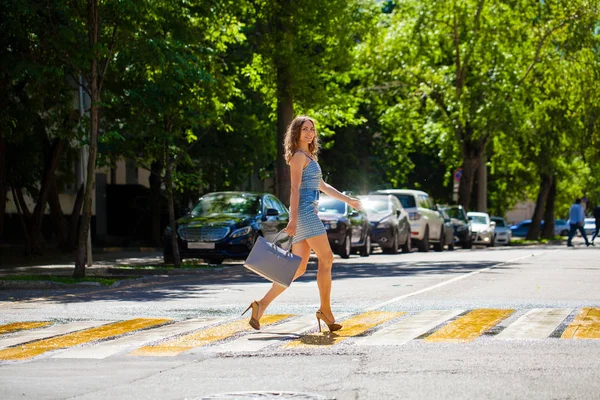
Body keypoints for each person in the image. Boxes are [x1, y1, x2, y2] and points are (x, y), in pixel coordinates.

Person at [242, 115, 362, 332]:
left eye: (312, 129)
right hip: (305, 214)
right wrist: (293, 220)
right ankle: (325, 310)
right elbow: (295, 189)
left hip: (307, 213)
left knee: (296, 269)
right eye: (305, 129)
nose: (309, 132)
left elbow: (323, 186)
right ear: (296, 133)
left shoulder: (309, 156)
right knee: (326, 258)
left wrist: (348, 200)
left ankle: (260, 306)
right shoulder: (298, 156)